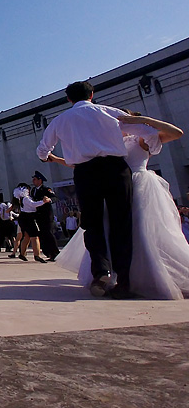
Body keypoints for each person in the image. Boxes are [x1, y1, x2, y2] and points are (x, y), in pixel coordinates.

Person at [36, 81, 159, 299]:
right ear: (92, 94)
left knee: (92, 224)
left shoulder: (60, 120)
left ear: (68, 99)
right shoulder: (109, 112)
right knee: (121, 222)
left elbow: (43, 150)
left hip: (86, 172)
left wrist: (46, 157)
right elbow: (147, 131)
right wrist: (151, 148)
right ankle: (124, 280)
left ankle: (100, 271)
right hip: (116, 168)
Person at [56, 114, 189, 299]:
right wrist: (55, 159)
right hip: (115, 187)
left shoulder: (141, 139)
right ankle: (111, 276)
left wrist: (144, 121)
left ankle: (141, 279)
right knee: (111, 230)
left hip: (138, 186)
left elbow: (176, 133)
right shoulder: (110, 144)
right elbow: (82, 163)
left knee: (141, 232)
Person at [13, 183, 50, 263]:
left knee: (26, 236)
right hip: (29, 218)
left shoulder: (21, 199)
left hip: (23, 217)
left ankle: (22, 254)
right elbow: (33, 205)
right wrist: (43, 201)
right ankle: (37, 255)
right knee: (35, 237)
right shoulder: (26, 198)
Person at [31, 171, 59, 261]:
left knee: (49, 233)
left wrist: (49, 199)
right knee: (42, 234)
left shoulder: (46, 189)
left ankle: (55, 253)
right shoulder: (33, 190)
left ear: (40, 180)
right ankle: (48, 252)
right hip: (38, 216)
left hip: (46, 216)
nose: (33, 181)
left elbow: (55, 198)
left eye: (35, 179)